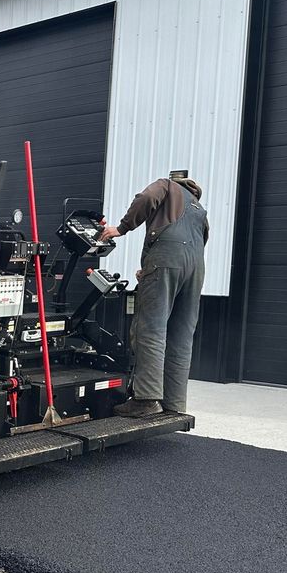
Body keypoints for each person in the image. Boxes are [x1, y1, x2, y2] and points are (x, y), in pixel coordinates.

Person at [99, 170, 208, 417]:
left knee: (150, 329)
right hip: (195, 269)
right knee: (181, 335)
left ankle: (146, 400)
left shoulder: (166, 186)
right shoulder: (198, 208)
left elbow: (146, 198)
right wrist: (150, 270)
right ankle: (174, 403)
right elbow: (193, 247)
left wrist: (122, 228)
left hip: (168, 260)